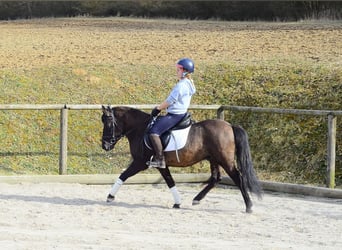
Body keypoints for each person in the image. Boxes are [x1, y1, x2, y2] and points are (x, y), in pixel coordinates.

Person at [148, 58, 196, 168]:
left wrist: (158, 109)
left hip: (175, 115)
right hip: (182, 113)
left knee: (153, 132)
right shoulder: (189, 83)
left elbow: (169, 101)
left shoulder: (181, 85)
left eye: (178, 69)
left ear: (185, 71)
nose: (176, 71)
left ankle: (160, 159)